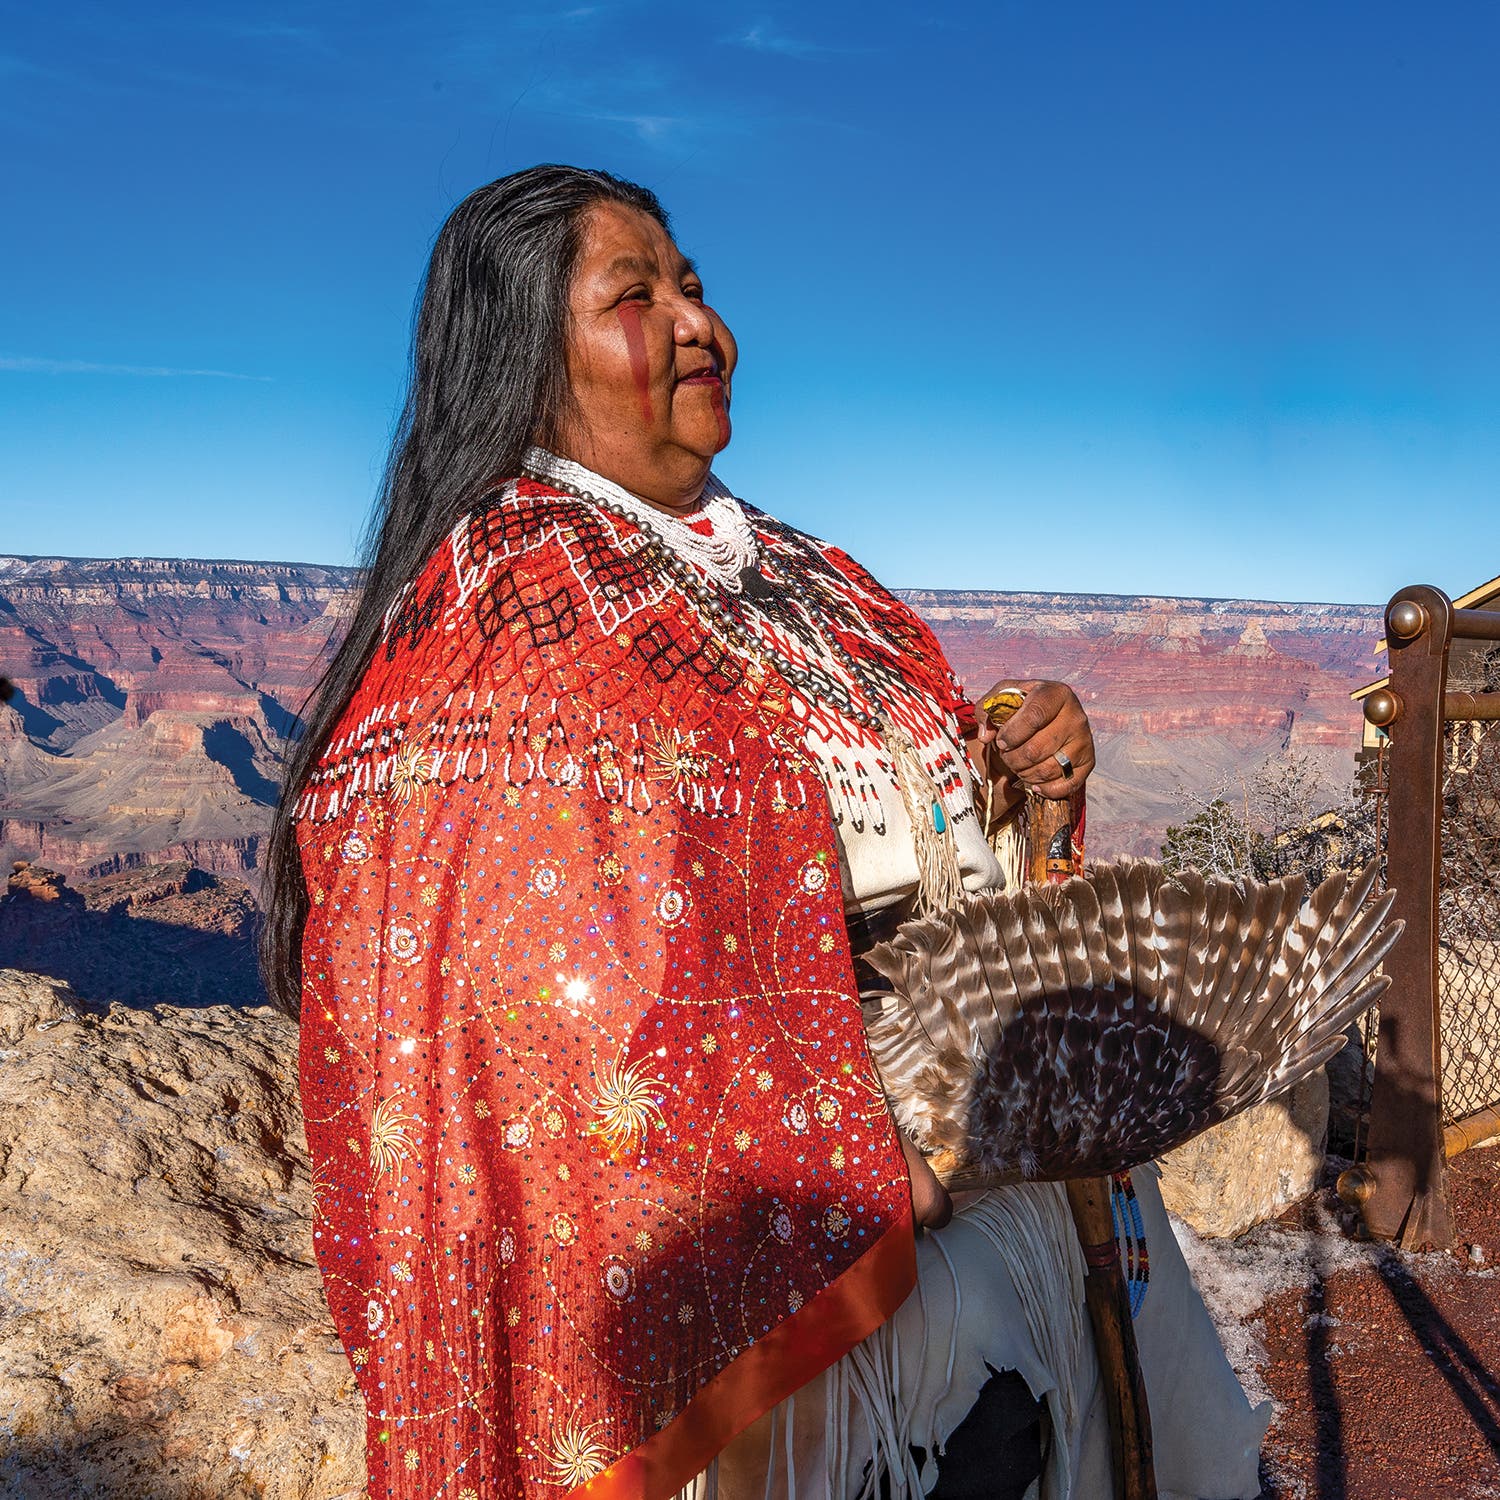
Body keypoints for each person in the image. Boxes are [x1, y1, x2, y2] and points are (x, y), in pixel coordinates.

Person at [263, 165, 1268, 1500]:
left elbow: (911, 822)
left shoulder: (816, 582)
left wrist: (1026, 769)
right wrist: (829, 1138)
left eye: (694, 284)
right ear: (524, 353)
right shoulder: (493, 622)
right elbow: (528, 1007)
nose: (700, 323)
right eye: (636, 295)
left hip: (988, 1190)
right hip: (801, 1291)